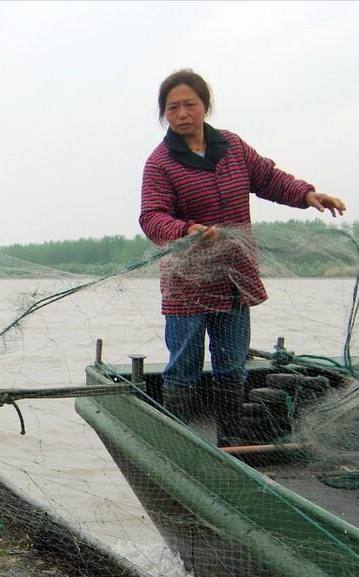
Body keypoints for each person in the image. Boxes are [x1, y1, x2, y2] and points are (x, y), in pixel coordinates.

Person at [138, 69, 345, 446]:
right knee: (183, 366)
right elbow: (152, 217)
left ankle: (231, 441)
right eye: (173, 108)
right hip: (187, 283)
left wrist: (307, 195)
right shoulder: (160, 162)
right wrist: (185, 231)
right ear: (164, 115)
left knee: (231, 364)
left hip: (234, 279)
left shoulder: (232, 146)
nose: (182, 114)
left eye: (190, 105)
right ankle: (180, 444)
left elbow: (269, 178)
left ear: (205, 106)